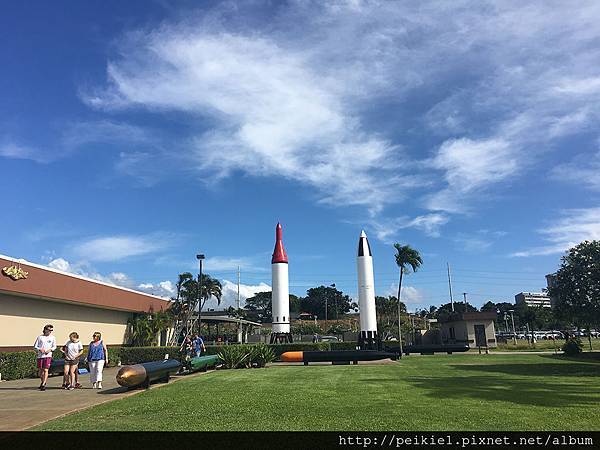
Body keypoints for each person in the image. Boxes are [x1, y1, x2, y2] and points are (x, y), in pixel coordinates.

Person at [33, 324, 56, 391]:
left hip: (48, 356)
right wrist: (40, 349)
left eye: (51, 330)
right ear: (45, 329)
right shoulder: (40, 337)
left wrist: (50, 350)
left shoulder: (53, 337)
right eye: (49, 330)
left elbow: (54, 347)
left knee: (46, 370)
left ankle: (43, 384)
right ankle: (42, 381)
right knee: (40, 371)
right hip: (40, 356)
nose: (50, 331)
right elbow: (35, 346)